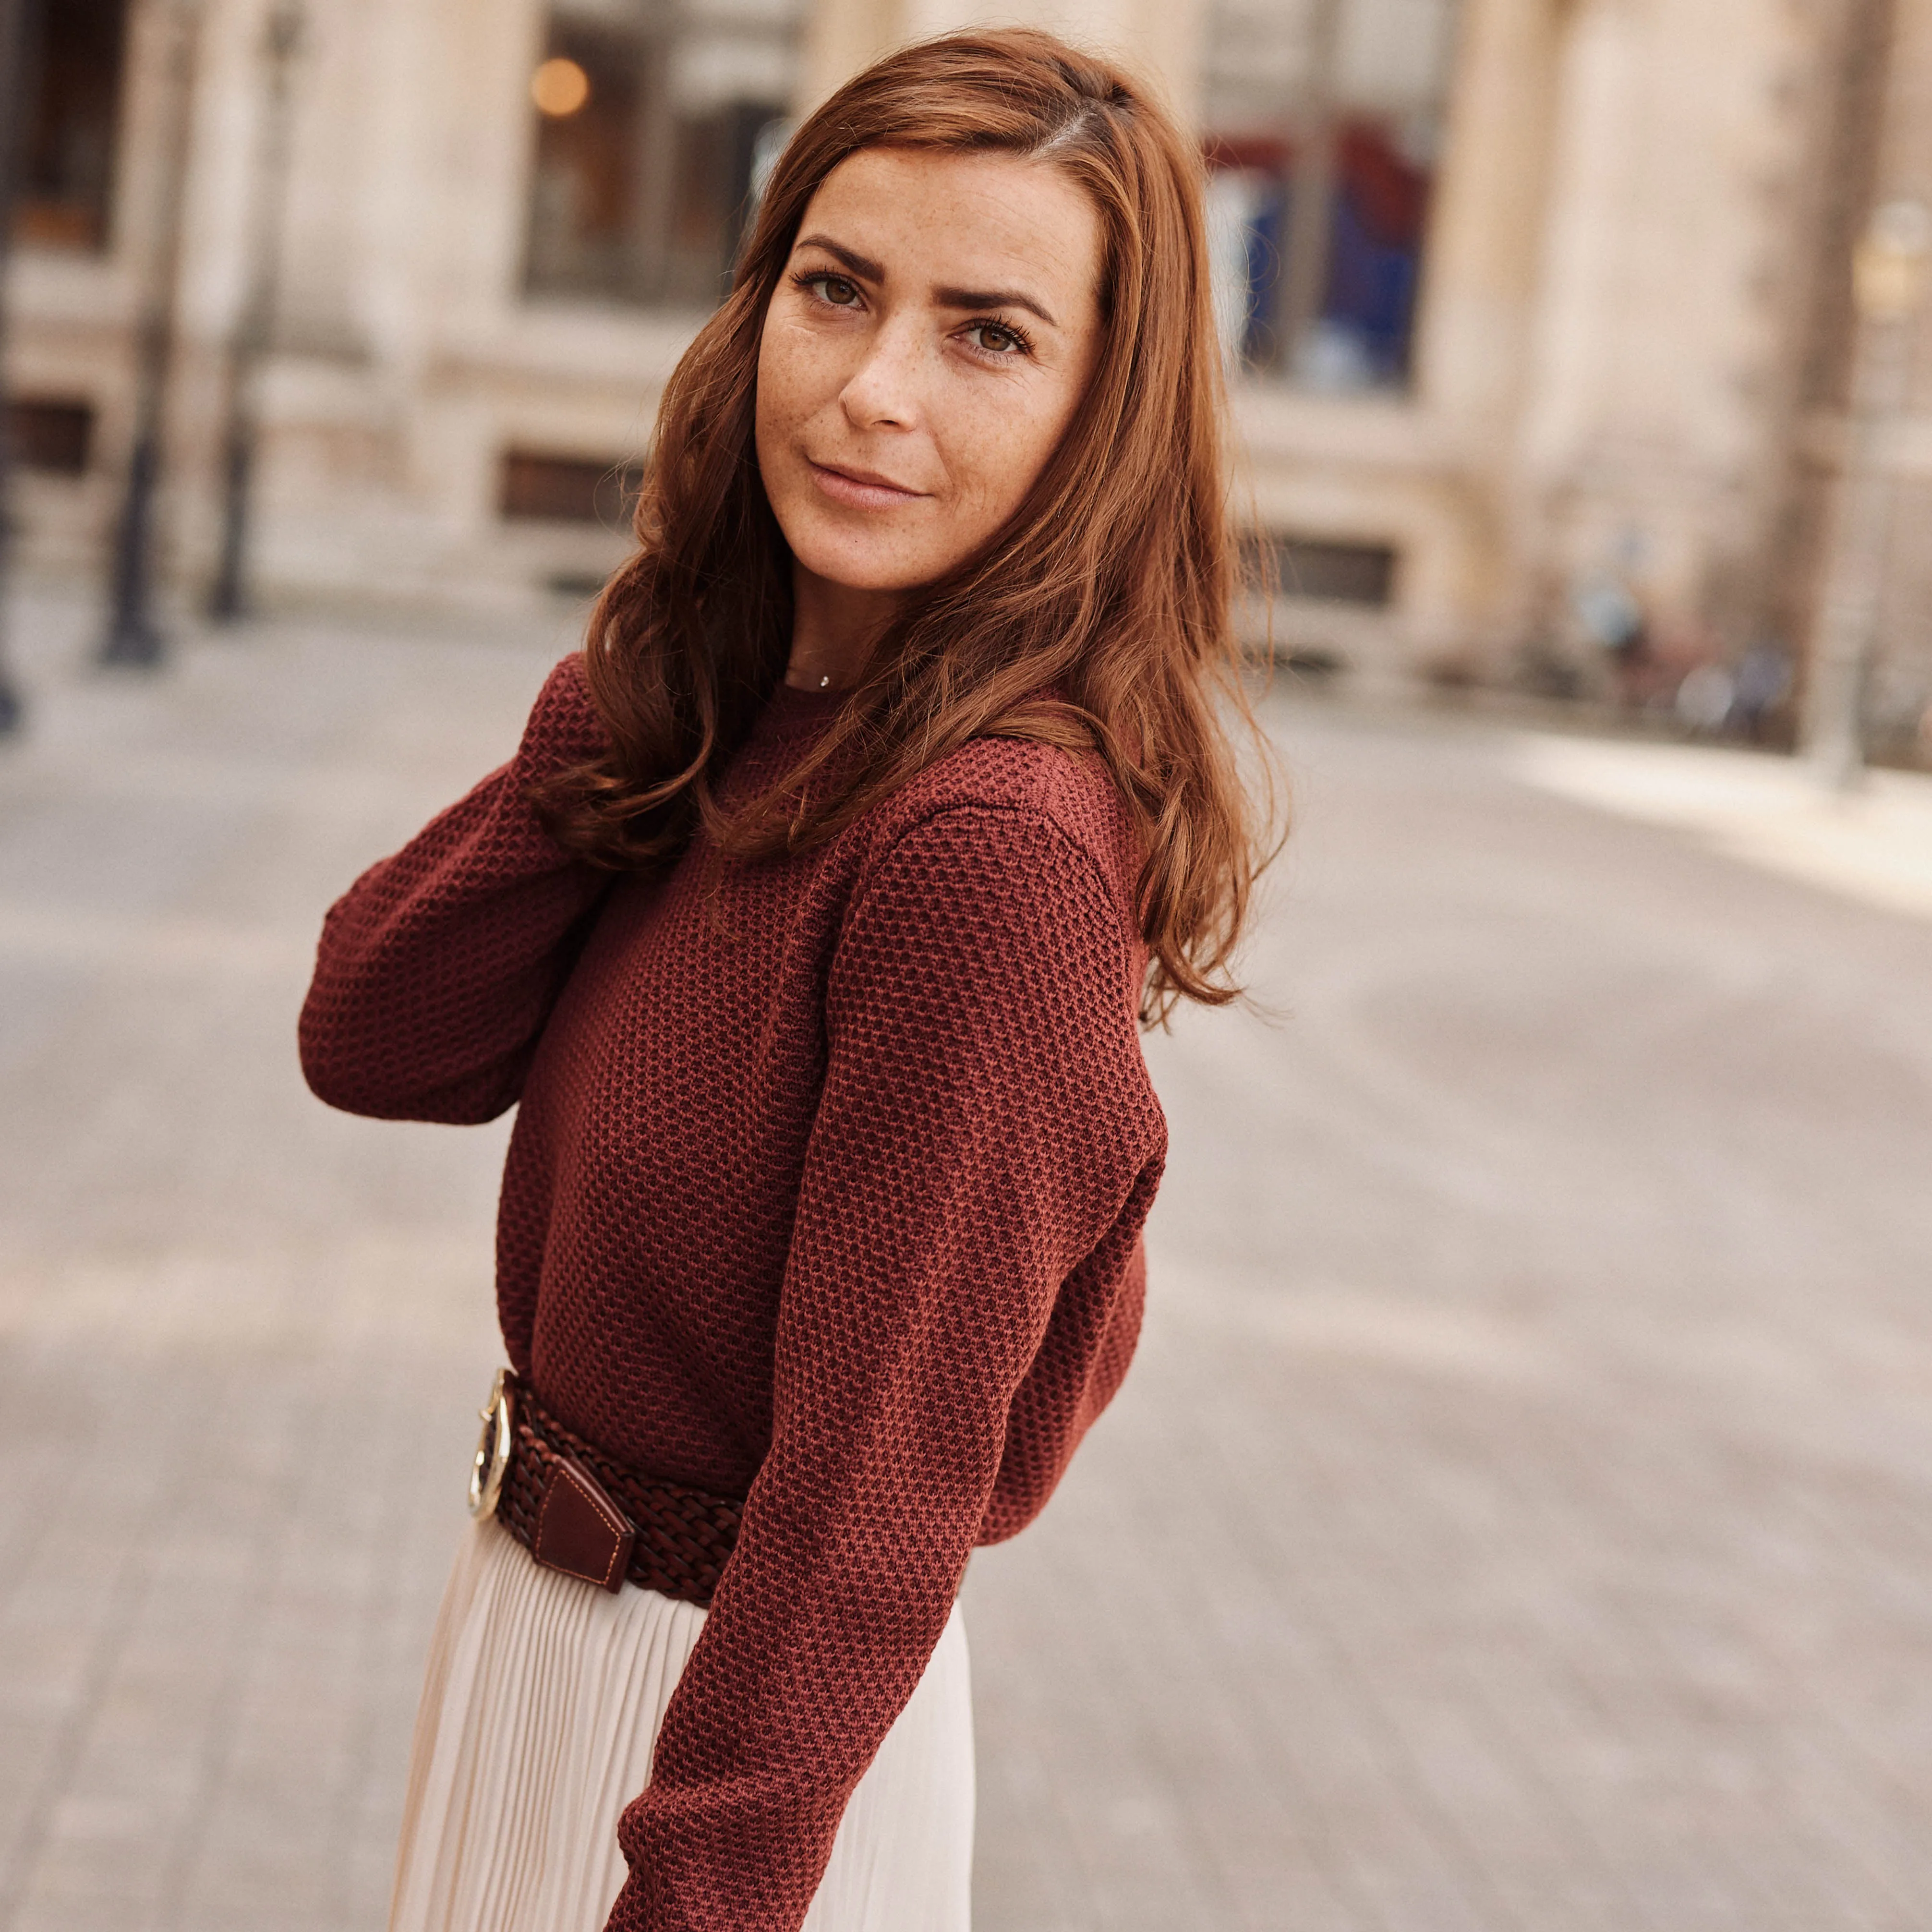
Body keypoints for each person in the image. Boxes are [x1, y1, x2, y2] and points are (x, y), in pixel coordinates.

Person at [298, 28, 1275, 1932]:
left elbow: (871, 1494)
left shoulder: (980, 851)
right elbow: (376, 1031)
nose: (870, 391)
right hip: (526, 1642)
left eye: (986, 333)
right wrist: (645, 689)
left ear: (1100, 408)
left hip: (720, 1747)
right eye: (836, 291)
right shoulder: (738, 724)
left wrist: (696, 1901)